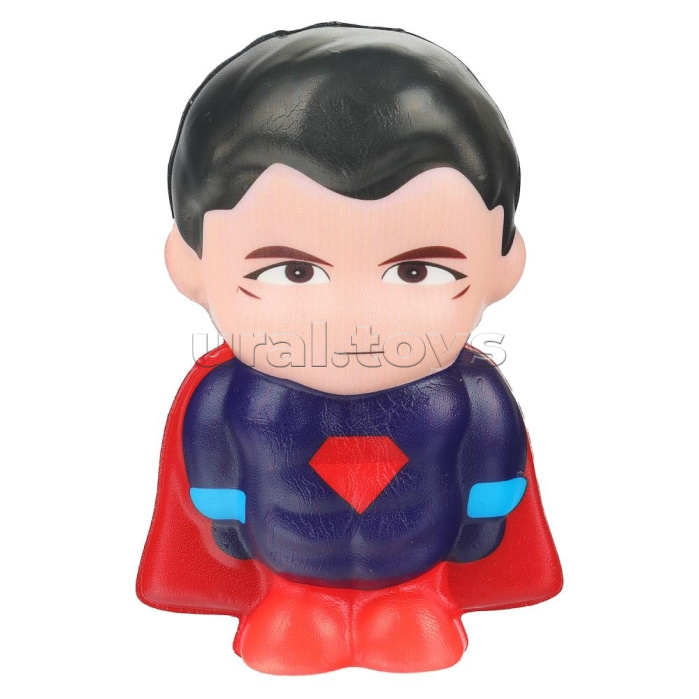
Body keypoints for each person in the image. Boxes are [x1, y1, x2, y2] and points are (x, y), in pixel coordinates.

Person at [138, 22, 562, 674]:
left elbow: (491, 456)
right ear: (191, 263)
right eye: (293, 271)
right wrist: (224, 521)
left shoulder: (471, 392)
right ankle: (299, 606)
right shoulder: (229, 396)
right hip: (288, 571)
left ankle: (406, 605)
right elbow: (212, 462)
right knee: (294, 634)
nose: (353, 318)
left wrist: (484, 519)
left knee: (409, 630)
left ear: (503, 263)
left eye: (416, 271)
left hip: (416, 568)